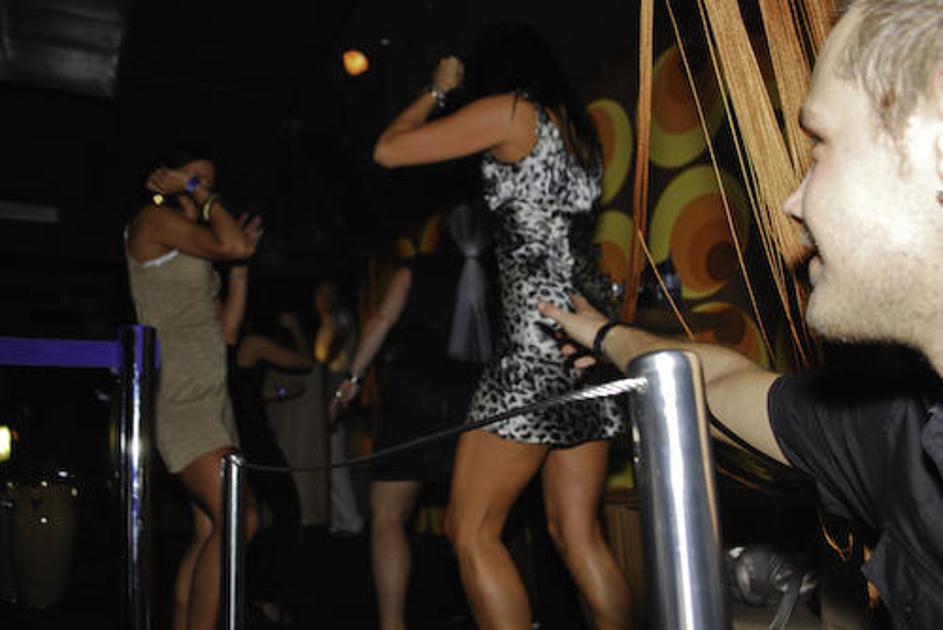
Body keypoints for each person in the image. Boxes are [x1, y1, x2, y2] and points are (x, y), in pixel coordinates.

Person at [539, 1, 943, 627]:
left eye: (820, 147)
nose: (793, 201)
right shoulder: (892, 433)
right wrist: (604, 334)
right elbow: (719, 384)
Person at [373, 21, 631, 629]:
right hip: (585, 346)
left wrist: (439, 89)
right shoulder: (578, 133)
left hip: (533, 351)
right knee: (578, 534)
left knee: (471, 531)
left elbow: (388, 150)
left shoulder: (512, 112)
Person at [124, 150, 263, 630]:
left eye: (208, 181)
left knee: (210, 532)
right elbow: (233, 244)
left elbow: (227, 330)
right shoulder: (152, 221)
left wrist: (239, 269)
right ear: (166, 177)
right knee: (241, 518)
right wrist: (201, 198)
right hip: (182, 399)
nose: (203, 187)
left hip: (212, 400)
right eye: (195, 177)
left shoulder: (194, 247)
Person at [330, 208, 487, 630]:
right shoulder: (500, 277)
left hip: (412, 402)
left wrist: (351, 380)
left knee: (387, 518)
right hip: (475, 407)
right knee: (480, 528)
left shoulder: (414, 270)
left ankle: (393, 624)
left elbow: (381, 321)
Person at [227, 308, 312, 625]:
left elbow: (237, 390)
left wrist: (275, 395)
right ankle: (264, 595)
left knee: (252, 517)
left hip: (233, 434)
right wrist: (295, 326)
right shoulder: (254, 343)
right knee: (288, 512)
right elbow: (305, 362)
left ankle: (251, 592)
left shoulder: (221, 342)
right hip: (253, 437)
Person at [313, 279, 366, 536]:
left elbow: (330, 355)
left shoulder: (342, 318)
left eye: (328, 294)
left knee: (335, 455)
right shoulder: (324, 322)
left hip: (339, 391)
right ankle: (338, 519)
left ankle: (351, 519)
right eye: (320, 294)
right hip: (326, 390)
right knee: (329, 456)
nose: (323, 300)